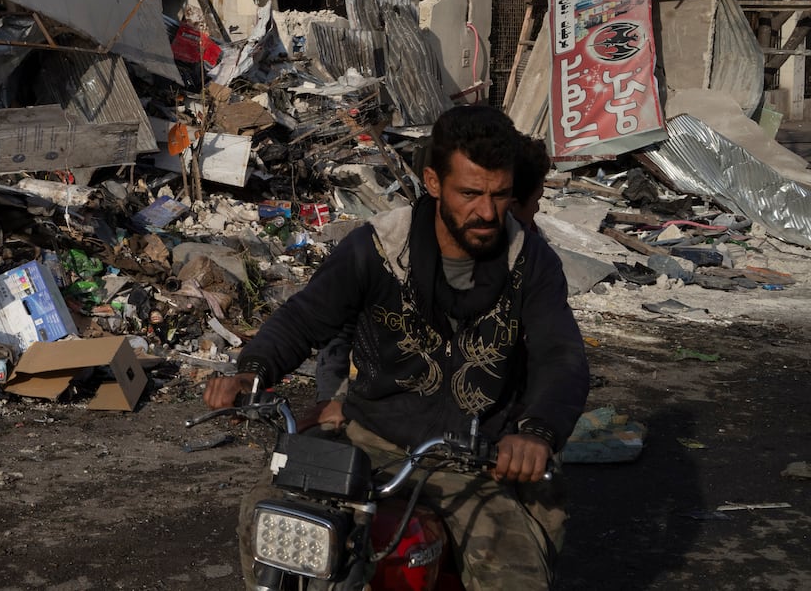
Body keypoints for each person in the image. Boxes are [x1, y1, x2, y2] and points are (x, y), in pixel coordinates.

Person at [206, 106, 588, 591]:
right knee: (264, 519)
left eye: (499, 195)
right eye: (470, 194)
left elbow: (562, 356)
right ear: (433, 181)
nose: (488, 212)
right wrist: (253, 372)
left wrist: (536, 432)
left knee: (516, 575)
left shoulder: (531, 262)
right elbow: (304, 318)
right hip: (368, 443)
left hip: (473, 460)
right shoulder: (380, 247)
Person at [309, 132, 555, 430]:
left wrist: (537, 428)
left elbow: (553, 353)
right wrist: (331, 396)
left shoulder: (529, 256)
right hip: (389, 431)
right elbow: (338, 322)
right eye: (537, 201)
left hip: (483, 441)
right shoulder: (398, 248)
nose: (538, 210)